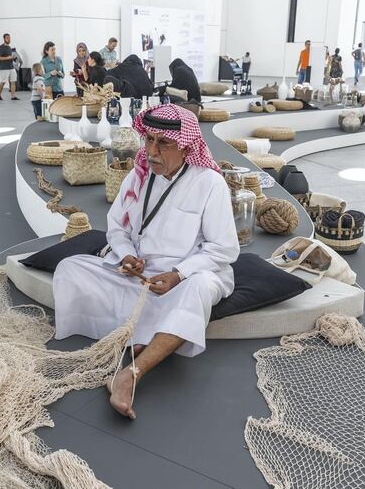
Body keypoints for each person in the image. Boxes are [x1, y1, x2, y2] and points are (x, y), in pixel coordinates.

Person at [52, 104, 239, 420]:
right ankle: (148, 335)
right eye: (148, 140)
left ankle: (130, 374)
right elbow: (117, 228)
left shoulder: (209, 183)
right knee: (70, 269)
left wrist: (179, 274)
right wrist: (126, 255)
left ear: (186, 145)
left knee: (203, 287)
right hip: (136, 274)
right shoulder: (137, 177)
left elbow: (223, 249)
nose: (151, 151)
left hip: (185, 276)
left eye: (163, 143)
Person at [0, 33, 18, 101]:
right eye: (7, 38)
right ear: (4, 39)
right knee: (3, 82)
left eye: (9, 38)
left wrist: (12, 58)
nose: (9, 39)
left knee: (13, 81)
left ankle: (13, 96)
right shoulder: (0, 47)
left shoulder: (9, 47)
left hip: (11, 67)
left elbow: (9, 57)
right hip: (4, 68)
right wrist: (8, 58)